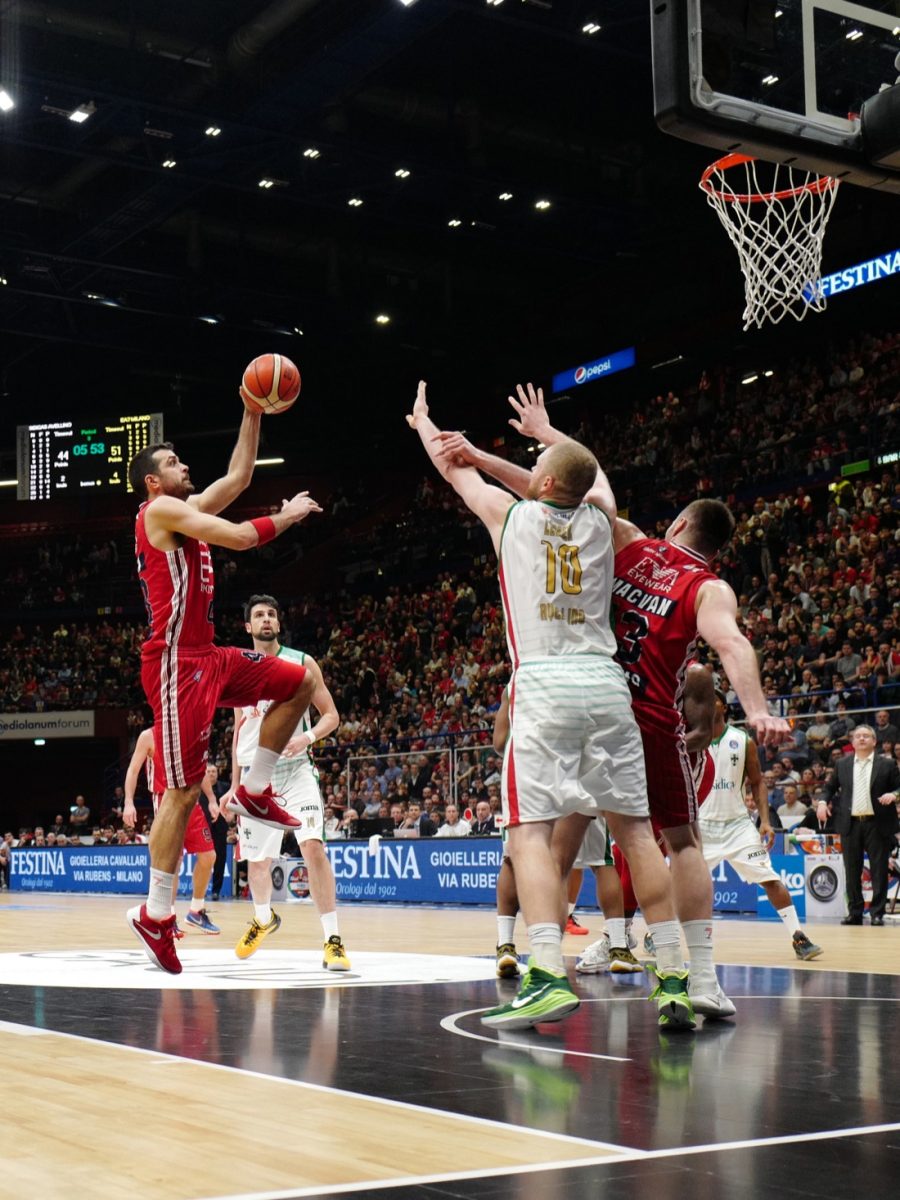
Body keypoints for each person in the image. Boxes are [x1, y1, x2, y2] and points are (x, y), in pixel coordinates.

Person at [453, 382, 789, 1021]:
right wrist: (757, 708)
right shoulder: (707, 587)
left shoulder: (627, 538)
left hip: (579, 695)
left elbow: (560, 492)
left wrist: (528, 441)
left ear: (679, 524)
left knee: (550, 845)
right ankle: (695, 977)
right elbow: (732, 643)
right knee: (678, 843)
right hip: (641, 720)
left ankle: (545, 964)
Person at [411, 381, 692, 1031]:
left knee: (528, 834)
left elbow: (452, 469)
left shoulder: (511, 517)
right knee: (636, 835)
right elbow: (584, 472)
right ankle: (675, 976)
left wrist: (426, 425)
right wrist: (545, 433)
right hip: (606, 685)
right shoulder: (602, 519)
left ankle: (544, 972)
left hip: (543, 684)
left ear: (541, 484)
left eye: (535, 464)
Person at [125, 414, 324, 974]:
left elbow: (238, 476)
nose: (184, 464)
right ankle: (156, 914)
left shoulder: (184, 509)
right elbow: (238, 537)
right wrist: (285, 517)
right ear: (153, 482)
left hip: (209, 655)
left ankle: (255, 789)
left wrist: (251, 411)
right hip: (175, 662)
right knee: (182, 791)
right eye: (173, 462)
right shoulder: (159, 512)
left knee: (300, 681)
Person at [225, 594, 350, 970]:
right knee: (258, 864)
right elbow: (239, 730)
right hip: (254, 776)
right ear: (248, 626)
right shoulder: (238, 668)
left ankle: (333, 941)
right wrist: (233, 784)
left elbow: (331, 716)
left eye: (271, 614)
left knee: (313, 848)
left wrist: (306, 738)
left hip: (295, 771)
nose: (266, 619)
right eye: (259, 615)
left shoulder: (301, 662)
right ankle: (263, 919)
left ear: (278, 624)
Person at [700, 690, 822, 960]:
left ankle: (799, 937)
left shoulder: (742, 740)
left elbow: (757, 782)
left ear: (724, 707)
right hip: (702, 826)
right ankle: (657, 933)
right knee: (682, 884)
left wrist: (765, 821)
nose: (706, 703)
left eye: (713, 698)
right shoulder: (691, 739)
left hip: (737, 826)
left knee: (770, 879)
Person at [124, 730, 223, 935]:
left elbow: (200, 769)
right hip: (165, 800)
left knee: (209, 856)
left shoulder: (187, 730)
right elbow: (133, 770)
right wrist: (128, 802)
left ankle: (196, 911)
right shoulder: (148, 736)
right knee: (173, 861)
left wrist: (212, 799)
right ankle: (167, 917)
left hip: (191, 800)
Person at [819, 724, 900, 926]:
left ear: (874, 741)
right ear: (853, 742)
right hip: (850, 823)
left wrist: (894, 794)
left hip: (877, 823)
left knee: (879, 870)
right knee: (852, 870)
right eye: (858, 736)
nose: (862, 739)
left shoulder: (887, 764)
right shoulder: (842, 764)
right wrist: (822, 802)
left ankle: (877, 913)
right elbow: (829, 787)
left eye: (866, 736)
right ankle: (855, 912)